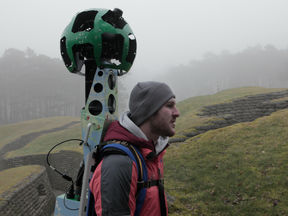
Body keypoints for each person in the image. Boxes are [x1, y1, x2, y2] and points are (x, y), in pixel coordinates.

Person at [89, 81, 180, 216]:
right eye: (169, 105)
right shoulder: (119, 164)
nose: (177, 113)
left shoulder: (152, 153)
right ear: (149, 110)